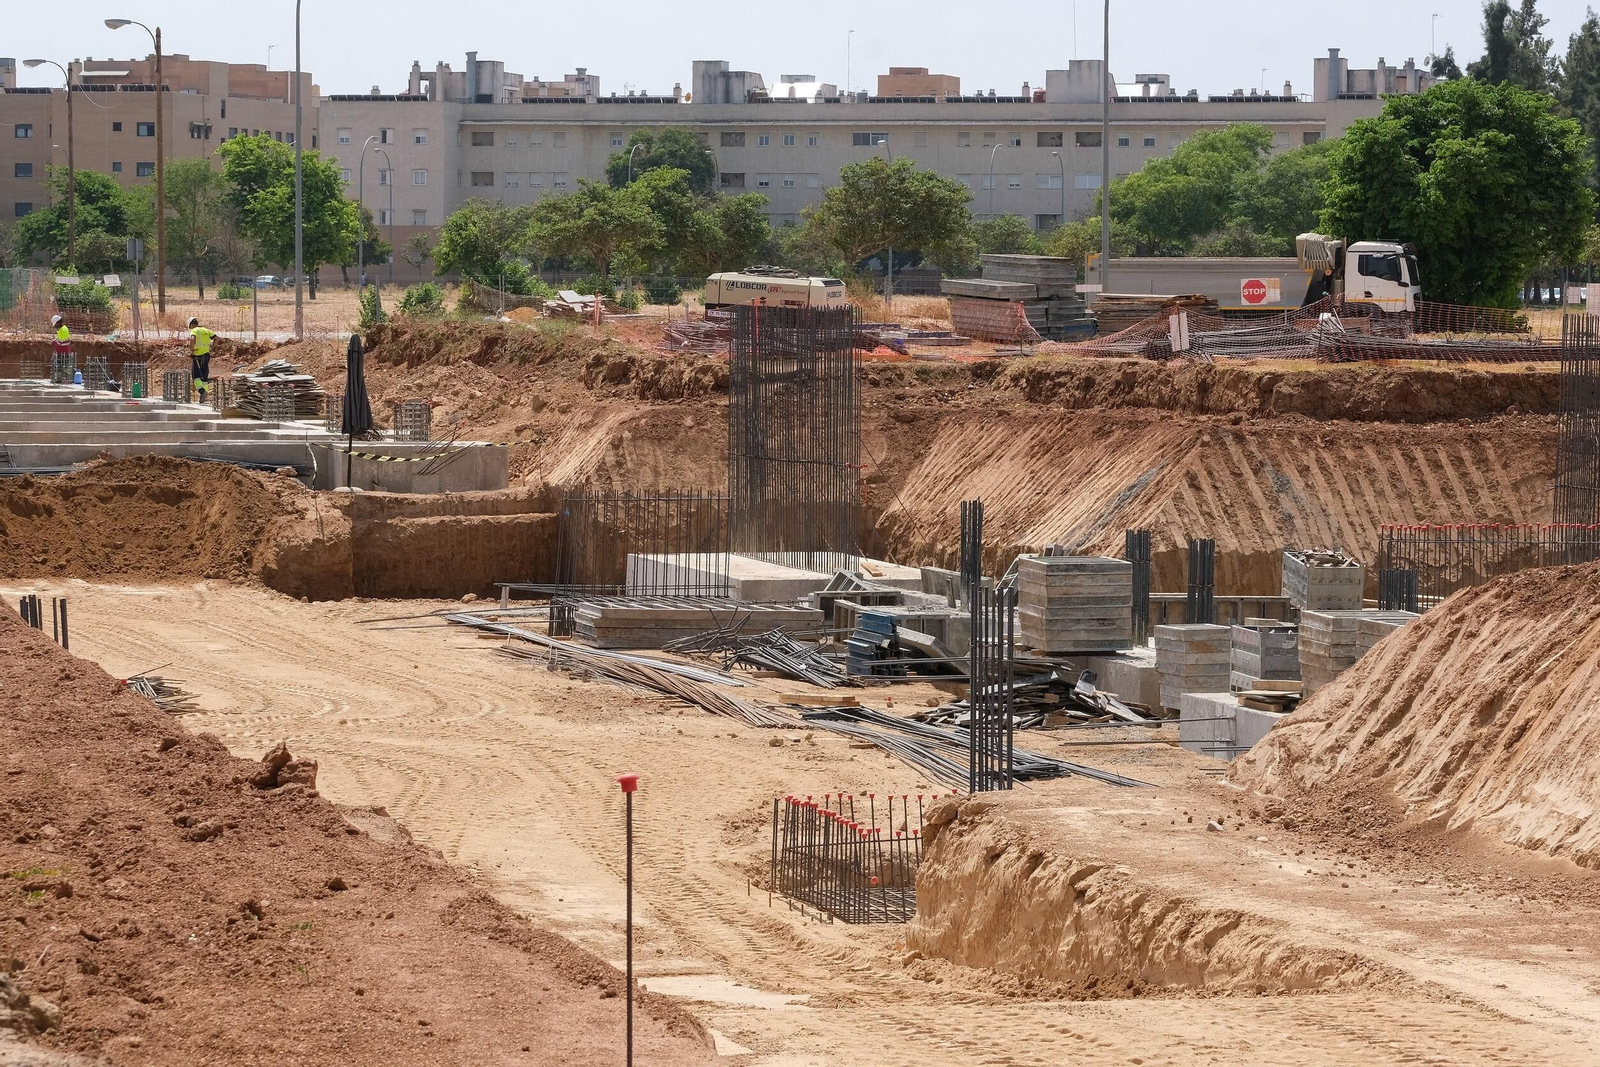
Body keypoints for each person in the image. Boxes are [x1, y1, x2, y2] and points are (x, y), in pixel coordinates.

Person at [188, 317, 215, 403]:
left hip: (197, 356)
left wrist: (191, 350)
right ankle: (205, 396)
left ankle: (202, 392)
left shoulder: (194, 331)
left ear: (191, 324)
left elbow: (192, 339)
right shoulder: (206, 330)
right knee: (204, 376)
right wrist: (212, 348)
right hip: (206, 355)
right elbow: (217, 338)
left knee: (195, 377)